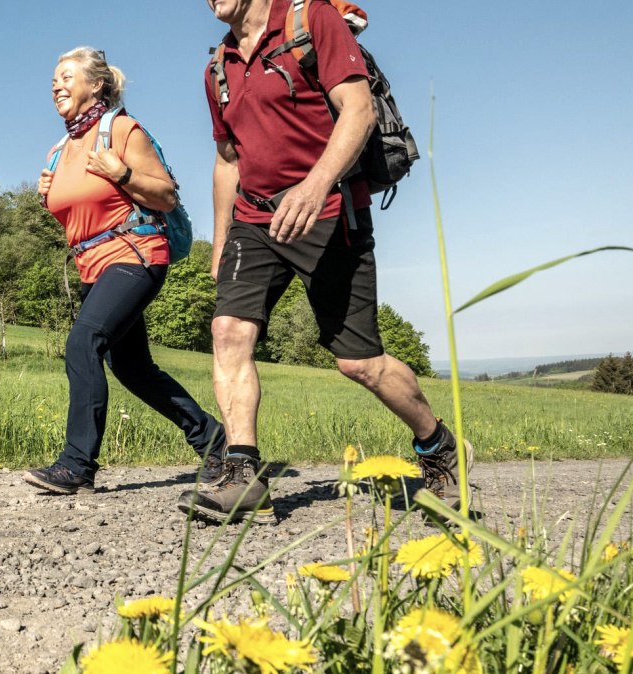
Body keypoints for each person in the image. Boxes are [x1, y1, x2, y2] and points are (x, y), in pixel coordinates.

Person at [177, 0, 468, 521]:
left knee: (360, 362)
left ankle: (439, 446)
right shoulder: (218, 67)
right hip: (255, 218)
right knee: (228, 331)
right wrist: (221, 239)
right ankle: (242, 472)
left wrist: (315, 186)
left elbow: (358, 111)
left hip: (330, 211)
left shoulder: (310, 21)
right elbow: (228, 158)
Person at [23, 47, 229, 495]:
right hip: (93, 266)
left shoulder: (119, 129)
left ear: (95, 84)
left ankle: (77, 464)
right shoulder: (61, 150)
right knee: (132, 367)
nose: (56, 85)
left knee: (83, 343)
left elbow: (165, 196)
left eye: (66, 76)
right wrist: (48, 198)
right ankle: (215, 442)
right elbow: (80, 219)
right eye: (53, 79)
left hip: (136, 254)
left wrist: (123, 172)